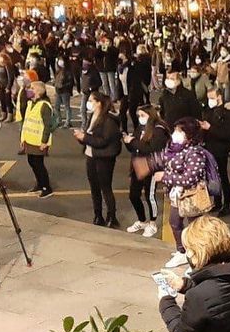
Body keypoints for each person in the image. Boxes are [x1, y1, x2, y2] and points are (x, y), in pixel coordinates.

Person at [159, 216, 230, 332]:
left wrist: (166, 301)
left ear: (198, 252)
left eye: (188, 249)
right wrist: (184, 285)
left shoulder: (198, 296)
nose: (188, 254)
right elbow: (218, 295)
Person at [157, 117, 215, 269]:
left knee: (195, 228)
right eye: (175, 130)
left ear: (189, 134)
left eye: (179, 131)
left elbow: (189, 178)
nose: (175, 134)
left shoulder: (195, 153)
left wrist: (165, 177)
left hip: (191, 195)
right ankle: (182, 251)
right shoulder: (175, 148)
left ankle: (199, 257)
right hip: (178, 194)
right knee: (174, 222)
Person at [73, 92, 122, 228]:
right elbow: (90, 136)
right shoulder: (92, 116)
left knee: (105, 188)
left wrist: (85, 138)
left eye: (91, 100)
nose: (88, 103)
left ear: (99, 103)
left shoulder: (109, 120)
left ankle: (112, 217)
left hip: (104, 157)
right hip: (91, 155)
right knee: (94, 188)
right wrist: (81, 138)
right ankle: (98, 215)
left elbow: (103, 141)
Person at [123, 105, 169, 237]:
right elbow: (135, 147)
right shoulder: (140, 128)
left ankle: (152, 223)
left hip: (151, 166)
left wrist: (133, 141)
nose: (140, 118)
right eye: (139, 116)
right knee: (133, 195)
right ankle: (142, 220)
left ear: (150, 115)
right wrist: (128, 141)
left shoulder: (159, 130)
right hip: (138, 164)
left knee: (150, 196)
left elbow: (151, 148)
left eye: (143, 115)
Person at [200, 88, 230, 216]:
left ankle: (226, 204)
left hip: (221, 150)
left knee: (222, 176)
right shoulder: (208, 111)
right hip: (209, 148)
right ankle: (217, 202)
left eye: (211, 98)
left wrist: (210, 128)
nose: (209, 101)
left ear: (219, 97)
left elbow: (227, 133)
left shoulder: (227, 113)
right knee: (212, 176)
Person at [20, 81, 54, 198]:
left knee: (38, 164)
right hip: (29, 140)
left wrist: (44, 142)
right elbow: (26, 122)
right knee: (32, 162)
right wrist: (23, 138)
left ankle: (46, 187)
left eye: (32, 88)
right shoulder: (30, 103)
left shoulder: (44, 105)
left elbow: (47, 125)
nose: (29, 90)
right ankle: (39, 184)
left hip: (39, 142)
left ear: (38, 91)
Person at [52, 56, 74, 128]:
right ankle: (59, 121)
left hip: (65, 91)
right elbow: (56, 79)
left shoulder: (68, 71)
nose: (59, 62)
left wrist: (63, 86)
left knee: (66, 107)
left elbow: (71, 82)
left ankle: (68, 122)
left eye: (61, 60)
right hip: (58, 91)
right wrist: (55, 84)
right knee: (56, 107)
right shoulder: (58, 70)